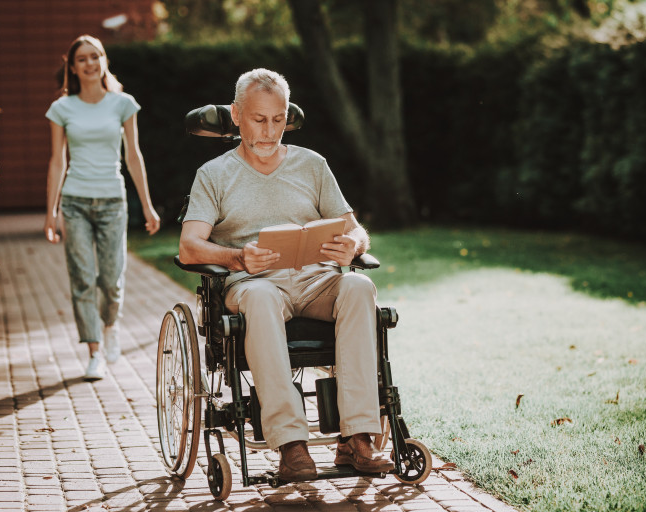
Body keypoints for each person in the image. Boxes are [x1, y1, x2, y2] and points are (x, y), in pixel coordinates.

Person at [178, 68, 394, 481]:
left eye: (278, 119)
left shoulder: (312, 165)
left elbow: (354, 228)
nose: (270, 130)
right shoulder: (214, 174)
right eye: (259, 119)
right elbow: (189, 246)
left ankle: (359, 439)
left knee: (360, 286)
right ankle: (292, 446)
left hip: (317, 281)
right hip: (256, 285)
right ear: (236, 115)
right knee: (259, 298)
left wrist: (355, 245)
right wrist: (238, 258)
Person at [44, 35, 160, 381]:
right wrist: (51, 211)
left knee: (110, 280)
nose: (90, 63)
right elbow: (57, 162)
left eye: (95, 56)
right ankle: (93, 351)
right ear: (73, 67)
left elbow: (133, 156)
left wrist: (148, 206)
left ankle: (110, 326)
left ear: (104, 61)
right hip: (75, 202)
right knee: (82, 279)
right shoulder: (62, 108)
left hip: (113, 202)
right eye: (82, 59)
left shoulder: (123, 103)